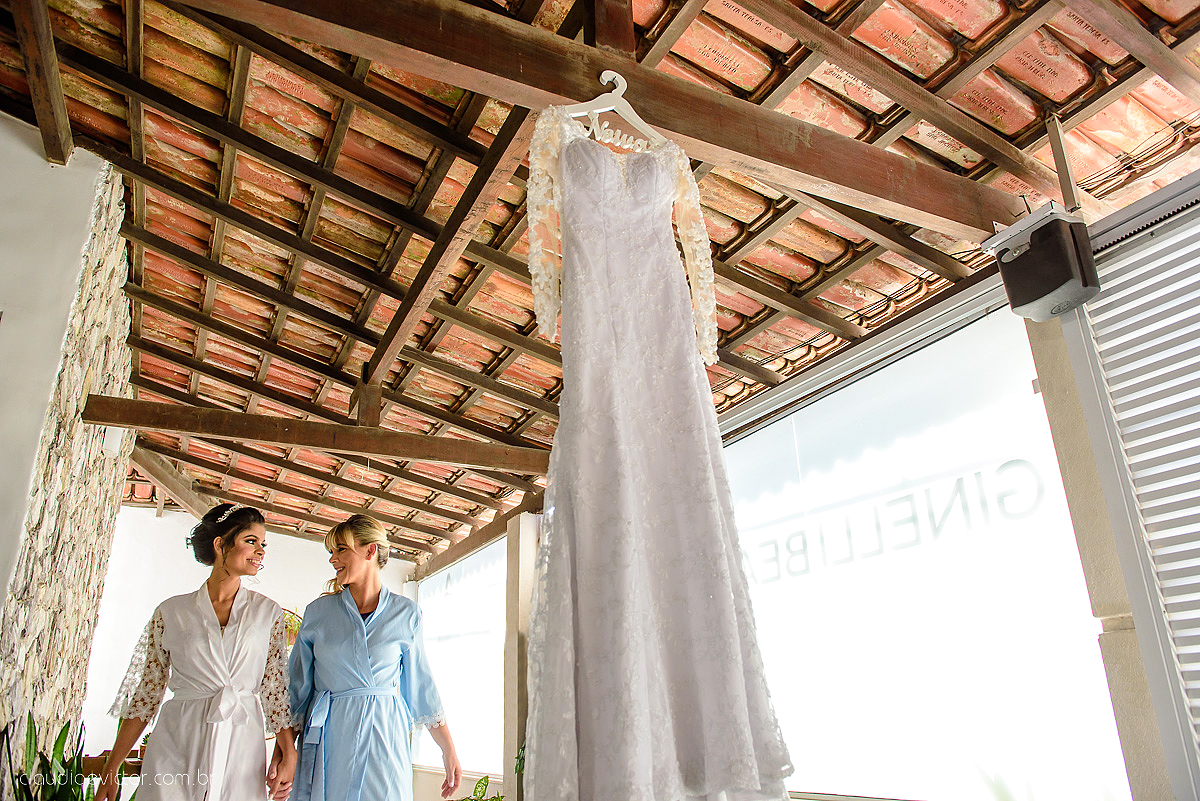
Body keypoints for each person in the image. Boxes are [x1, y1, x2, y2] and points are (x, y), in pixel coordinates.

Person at [98, 503, 297, 801]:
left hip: (241, 739)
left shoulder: (267, 613)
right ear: (220, 545)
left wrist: (288, 754)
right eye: (251, 541)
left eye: (263, 544)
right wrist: (111, 768)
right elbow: (146, 695)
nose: (261, 551)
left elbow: (274, 691)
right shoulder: (171, 612)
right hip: (178, 739)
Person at [286, 514, 461, 801]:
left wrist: (448, 750)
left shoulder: (406, 614)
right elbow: (297, 690)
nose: (333, 559)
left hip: (385, 735)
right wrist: (286, 752)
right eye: (331, 551)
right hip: (331, 734)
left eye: (341, 549)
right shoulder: (318, 613)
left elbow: (421, 687)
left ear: (370, 551)